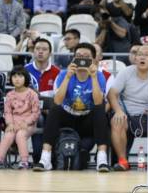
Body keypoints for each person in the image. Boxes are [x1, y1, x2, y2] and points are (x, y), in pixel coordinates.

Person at [33, 43, 110, 172]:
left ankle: (102, 159)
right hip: (67, 118)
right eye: (79, 56)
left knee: (100, 108)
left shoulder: (99, 76)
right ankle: (45, 158)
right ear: (74, 58)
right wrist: (68, 77)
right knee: (55, 108)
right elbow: (57, 100)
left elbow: (97, 101)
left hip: (87, 120)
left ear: (93, 59)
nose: (82, 59)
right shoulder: (63, 74)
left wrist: (94, 77)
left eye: (86, 57)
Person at [108, 43, 148, 171]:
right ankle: (123, 161)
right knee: (117, 121)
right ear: (135, 58)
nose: (142, 58)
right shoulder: (126, 72)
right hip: (127, 114)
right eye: (139, 55)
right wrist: (118, 111)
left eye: (146, 55)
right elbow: (112, 93)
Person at [0, 67, 40, 169]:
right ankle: (0, 159)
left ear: (25, 78)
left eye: (20, 76)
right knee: (8, 135)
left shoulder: (32, 94)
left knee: (20, 135)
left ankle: (24, 161)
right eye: (14, 76)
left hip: (28, 124)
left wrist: (26, 122)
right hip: (13, 123)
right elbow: (7, 112)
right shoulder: (9, 95)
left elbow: (35, 112)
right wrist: (10, 123)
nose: (17, 79)